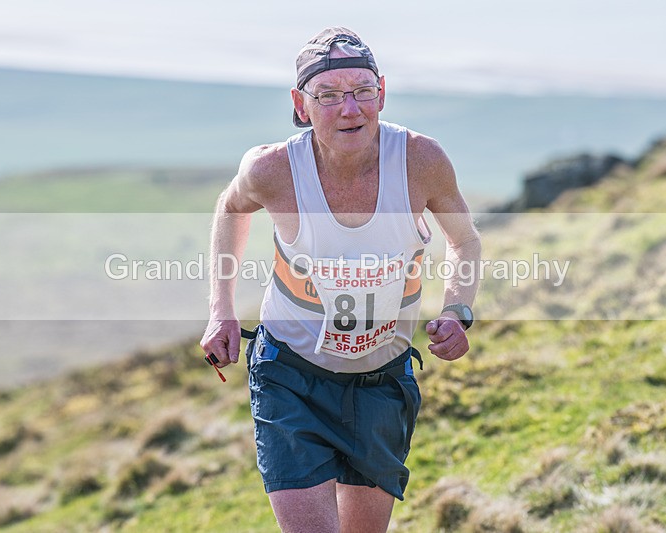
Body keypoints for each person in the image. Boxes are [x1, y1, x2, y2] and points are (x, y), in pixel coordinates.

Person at [200, 27, 481, 533]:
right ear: (300, 104)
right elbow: (230, 207)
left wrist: (457, 310)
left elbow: (465, 241)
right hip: (291, 375)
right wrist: (221, 310)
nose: (349, 109)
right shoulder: (273, 169)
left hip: (381, 382)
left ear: (382, 94)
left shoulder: (420, 161)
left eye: (362, 91)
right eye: (328, 96)